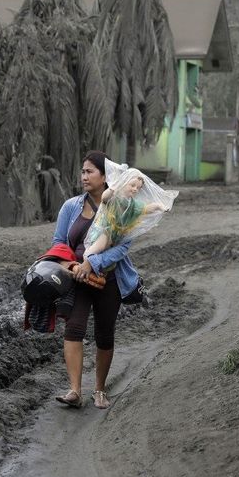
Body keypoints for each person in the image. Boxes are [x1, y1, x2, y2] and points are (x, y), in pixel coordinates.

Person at [51, 151, 142, 409]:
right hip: (77, 279)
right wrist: (71, 265)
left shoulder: (124, 207)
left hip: (108, 279)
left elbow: (122, 248)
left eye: (90, 171)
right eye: (83, 171)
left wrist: (92, 263)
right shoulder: (71, 207)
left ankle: (99, 390)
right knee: (74, 328)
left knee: (104, 334)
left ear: (105, 176)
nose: (84, 176)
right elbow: (59, 243)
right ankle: (75, 391)